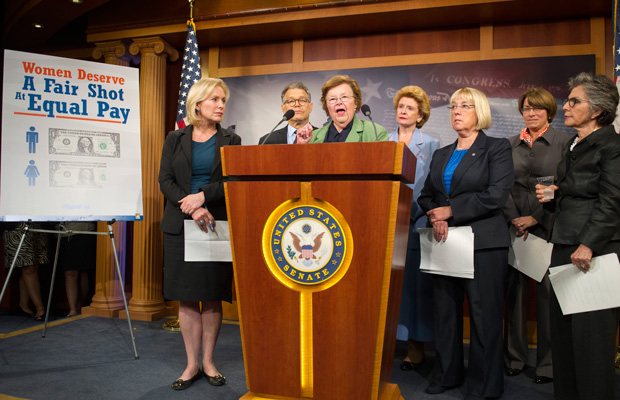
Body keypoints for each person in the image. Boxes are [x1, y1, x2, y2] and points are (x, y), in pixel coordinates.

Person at [418, 87, 513, 399]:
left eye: (466, 106)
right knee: (445, 312)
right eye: (454, 106)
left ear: (480, 112)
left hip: (483, 244)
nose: (457, 111)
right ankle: (447, 374)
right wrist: (436, 215)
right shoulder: (441, 153)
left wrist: (453, 211)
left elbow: (496, 196)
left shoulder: (496, 148)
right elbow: (427, 194)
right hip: (444, 242)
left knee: (484, 316)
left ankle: (484, 384)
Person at [536, 72, 620, 400]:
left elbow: (612, 200)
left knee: (592, 344)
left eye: (574, 101)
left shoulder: (612, 145)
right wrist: (557, 193)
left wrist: (588, 244)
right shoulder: (574, 144)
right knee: (565, 337)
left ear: (597, 110)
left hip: (592, 252)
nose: (565, 106)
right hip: (565, 247)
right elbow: (580, 189)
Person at [159, 77, 241, 391]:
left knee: (210, 295)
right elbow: (164, 179)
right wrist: (192, 207)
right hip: (180, 224)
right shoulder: (175, 138)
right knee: (188, 297)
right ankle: (191, 364)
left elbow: (233, 180)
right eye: (215, 100)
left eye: (224, 100)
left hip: (215, 225)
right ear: (198, 104)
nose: (221, 105)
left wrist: (204, 196)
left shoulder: (232, 140)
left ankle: (209, 361)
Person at [503, 88, 574, 384]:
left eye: (538, 109)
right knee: (514, 298)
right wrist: (515, 219)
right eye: (526, 108)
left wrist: (536, 218)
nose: (531, 113)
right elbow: (502, 186)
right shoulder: (508, 145)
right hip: (514, 231)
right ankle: (515, 359)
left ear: (549, 111)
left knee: (548, 302)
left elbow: (566, 188)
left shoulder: (565, 142)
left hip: (548, 230)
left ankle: (547, 365)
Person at [390, 85, 440, 370]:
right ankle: (386, 343)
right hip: (385, 223)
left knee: (413, 288)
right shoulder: (383, 140)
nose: (403, 111)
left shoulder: (431, 145)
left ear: (420, 116)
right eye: (400, 106)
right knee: (389, 288)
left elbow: (431, 187)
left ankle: (415, 347)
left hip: (414, 222)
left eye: (409, 108)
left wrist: (411, 212)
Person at [295, 75, 388, 143]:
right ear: (327, 105)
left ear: (355, 103)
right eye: (332, 99)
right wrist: (301, 148)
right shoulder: (312, 138)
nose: (338, 102)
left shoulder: (375, 133)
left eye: (344, 97)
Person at [3, 222, 49, 321]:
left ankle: (23, 304)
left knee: (32, 265)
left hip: (36, 222)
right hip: (18, 225)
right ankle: (40, 308)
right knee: (28, 266)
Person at [59, 221, 97, 316]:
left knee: (83, 271)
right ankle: (72, 309)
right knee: (70, 272)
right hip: (65, 232)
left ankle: (80, 306)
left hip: (85, 231)